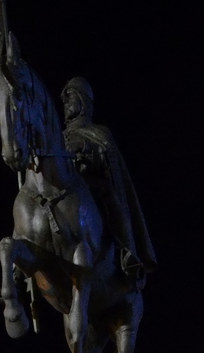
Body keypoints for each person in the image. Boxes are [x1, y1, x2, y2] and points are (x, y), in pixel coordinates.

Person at [61, 77, 157, 286]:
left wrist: (85, 150)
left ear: (83, 101)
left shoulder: (99, 132)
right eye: (64, 100)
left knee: (110, 197)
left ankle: (127, 252)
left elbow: (105, 156)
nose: (65, 104)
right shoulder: (60, 136)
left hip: (92, 185)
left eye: (70, 98)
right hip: (64, 189)